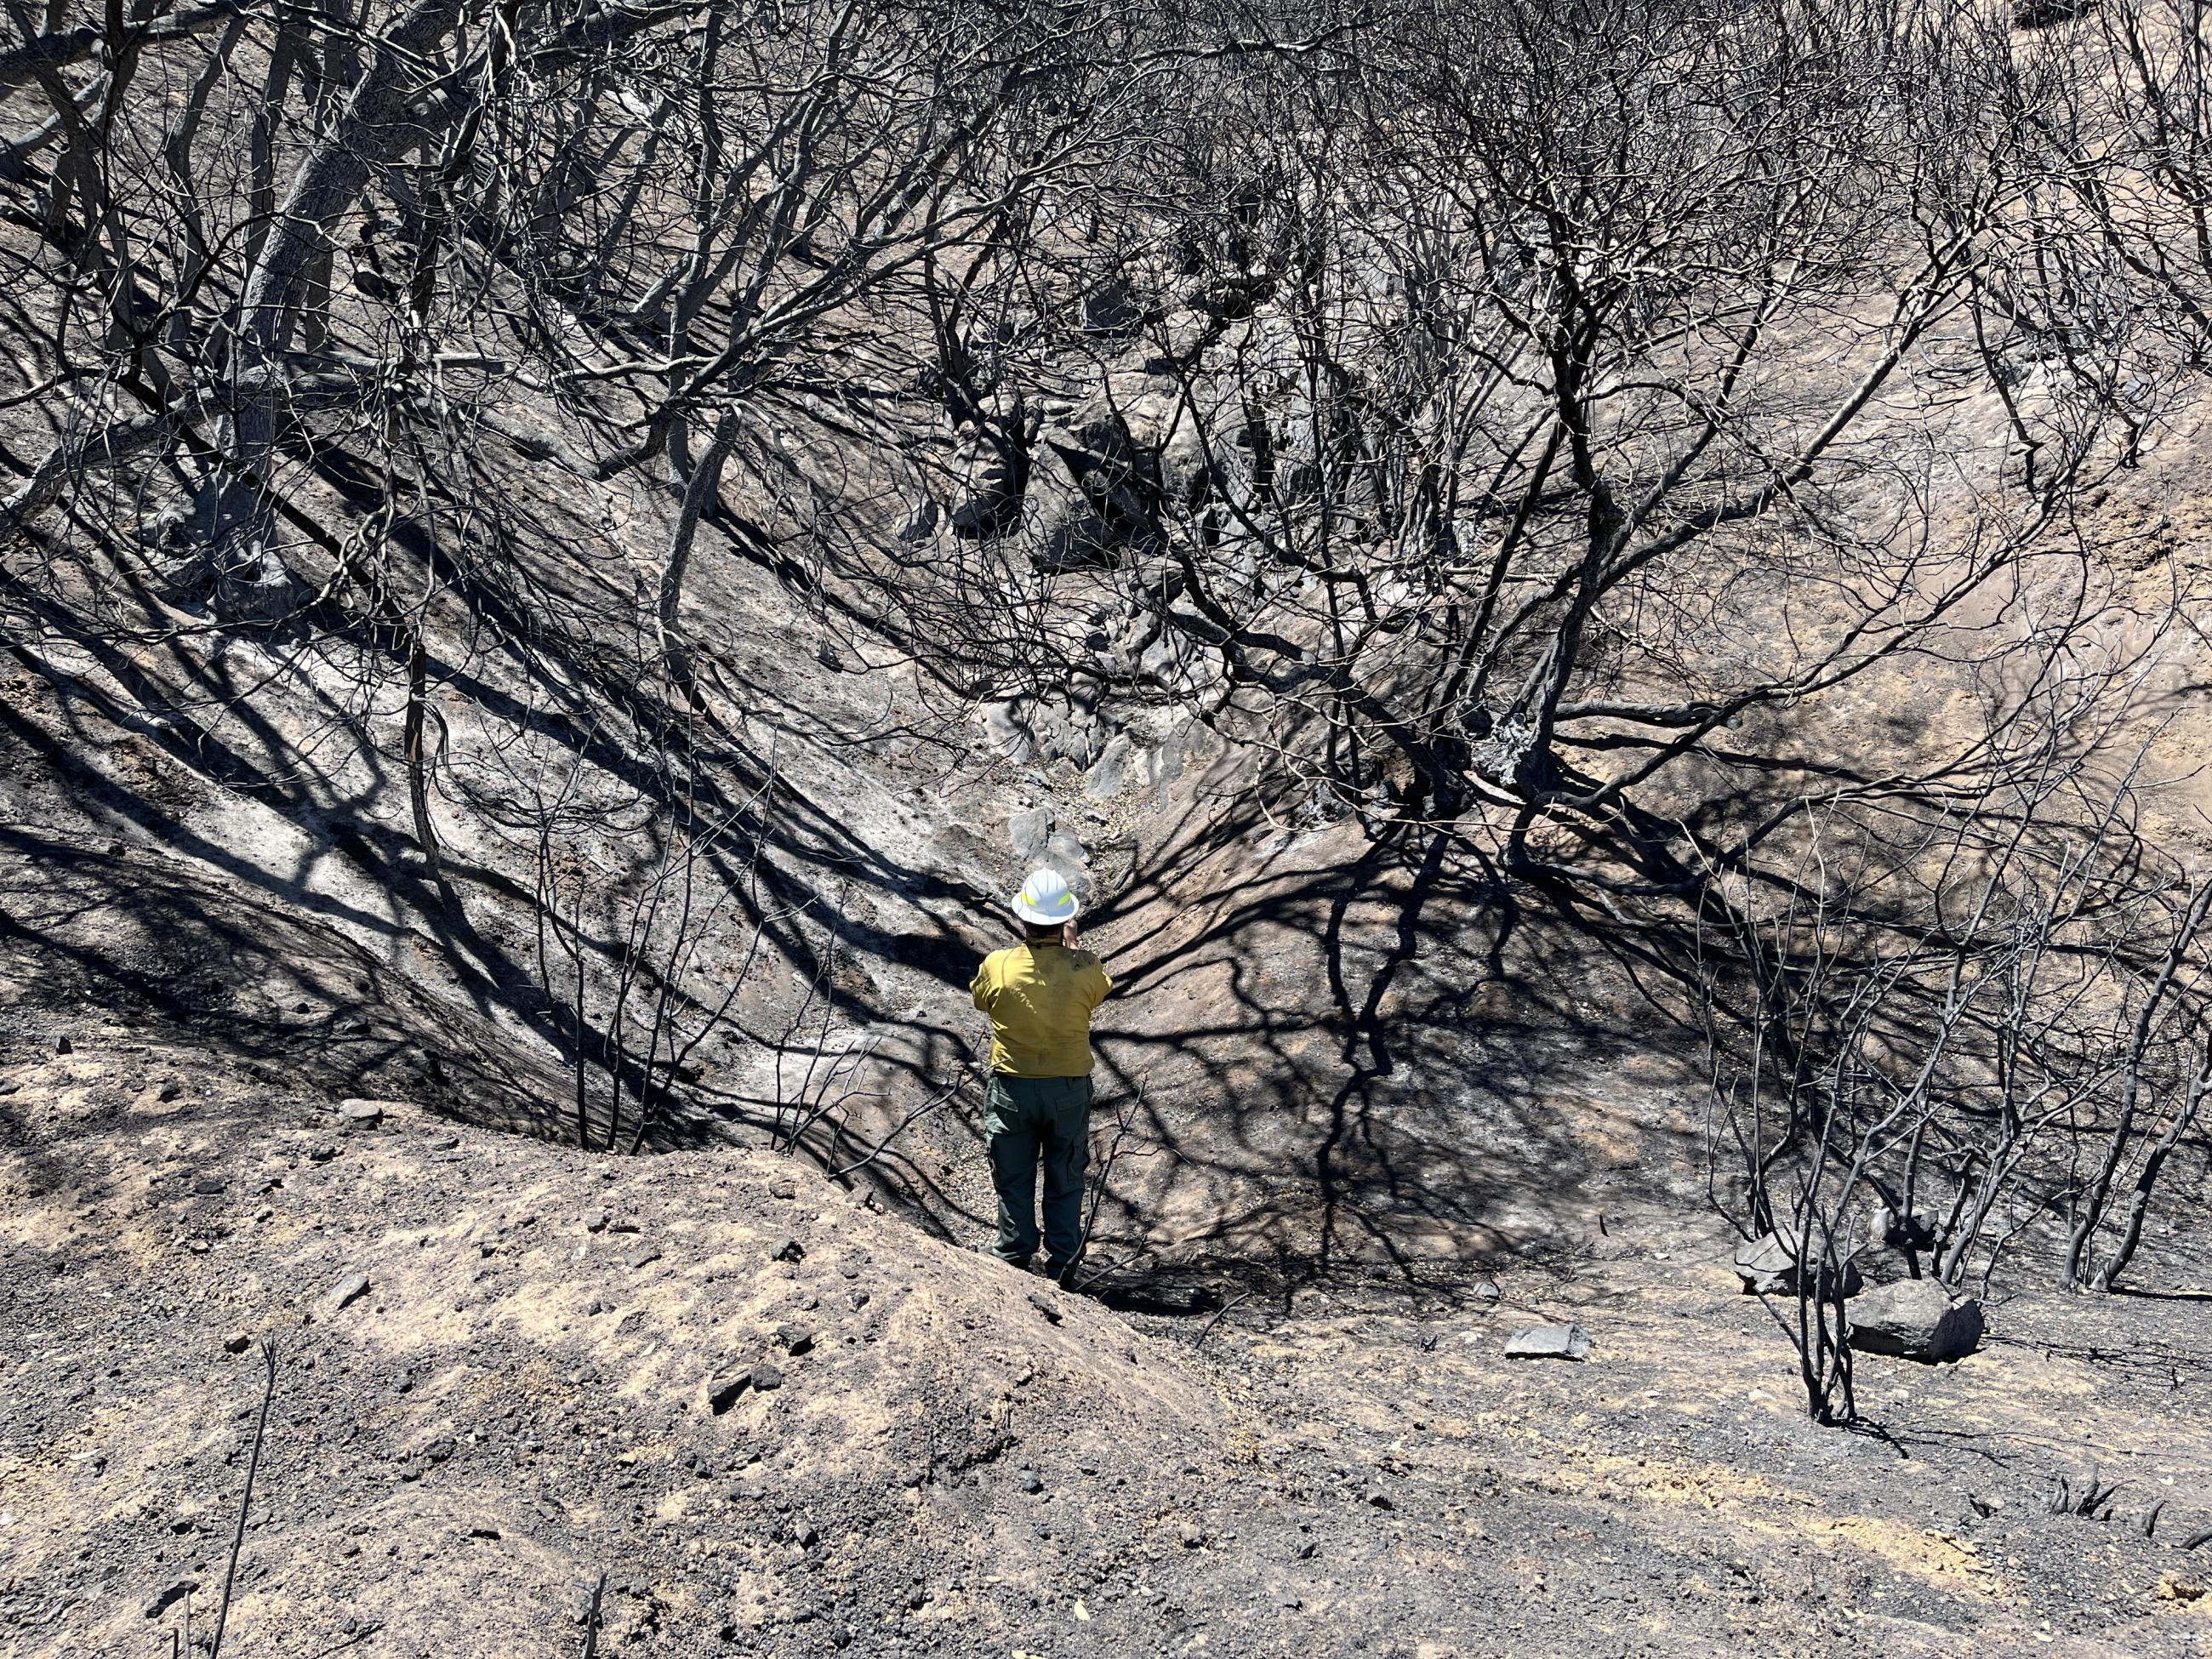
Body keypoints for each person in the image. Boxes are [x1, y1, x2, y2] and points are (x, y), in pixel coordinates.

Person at [970, 867, 1111, 1282]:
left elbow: (981, 1000)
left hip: (1012, 1088)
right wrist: (1071, 946)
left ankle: (1014, 1257)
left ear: (1022, 917)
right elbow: (1099, 988)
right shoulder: (1085, 966)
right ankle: (1063, 1264)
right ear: (1065, 919)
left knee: (1013, 1176)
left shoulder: (998, 966)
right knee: (1065, 1176)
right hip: (1068, 1090)